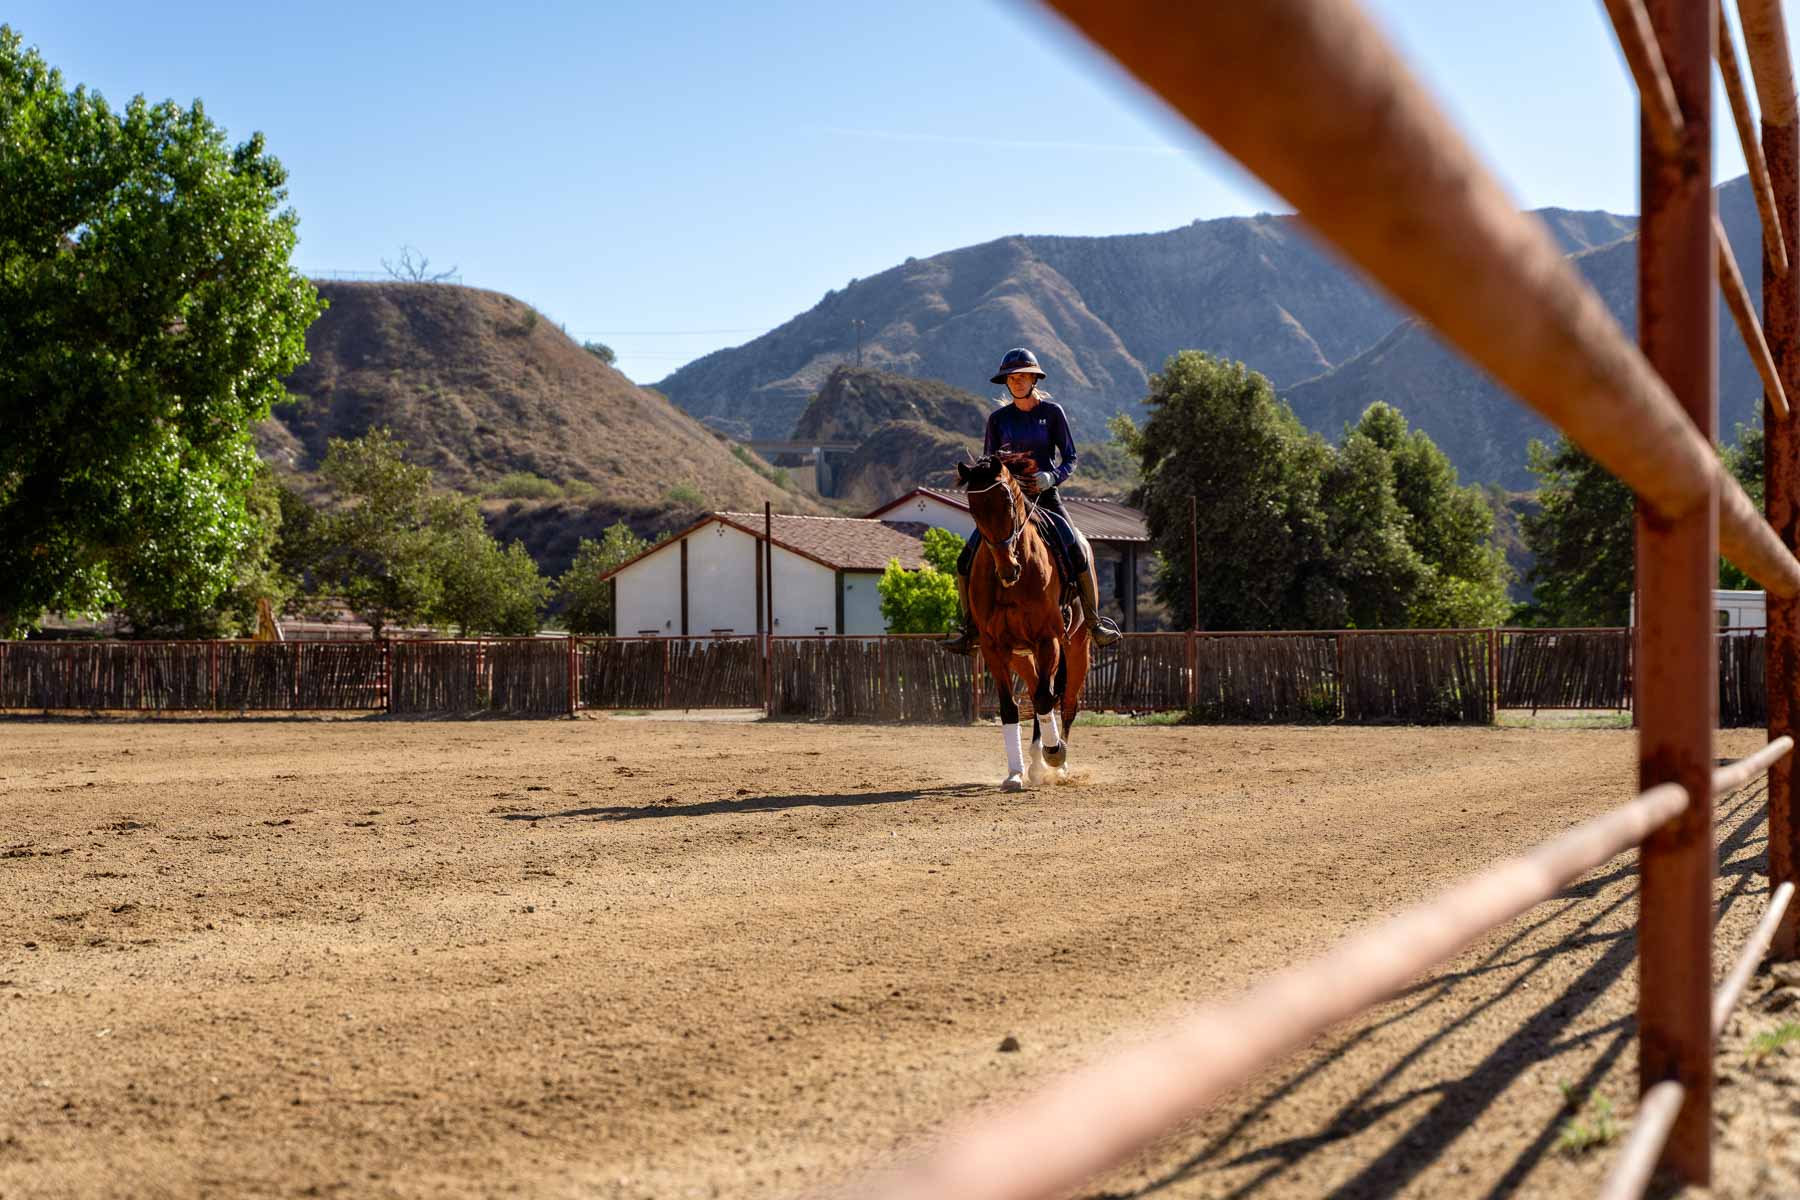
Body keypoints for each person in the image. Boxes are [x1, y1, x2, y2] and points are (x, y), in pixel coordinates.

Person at [940, 347, 1123, 655]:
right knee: (965, 559)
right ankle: (969, 628)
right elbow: (989, 462)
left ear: (1034, 379)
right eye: (1012, 378)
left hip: (1045, 495)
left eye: (1024, 376)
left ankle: (1093, 622)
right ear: (1006, 383)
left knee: (1076, 547)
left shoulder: (1053, 413)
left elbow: (1071, 457)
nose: (1018, 382)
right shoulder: (998, 420)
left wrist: (1052, 477)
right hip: (1009, 501)